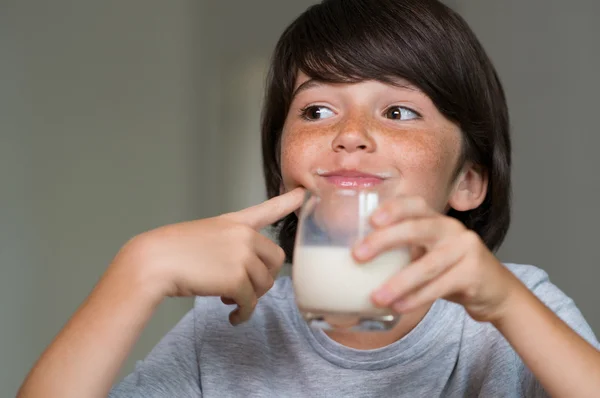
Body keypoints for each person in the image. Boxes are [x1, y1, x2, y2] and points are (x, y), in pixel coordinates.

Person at [18, 0, 600, 397]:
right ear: (282, 169)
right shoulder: (226, 328)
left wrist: (506, 305)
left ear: (467, 182)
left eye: (398, 112)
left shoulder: (515, 310)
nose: (349, 132)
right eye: (317, 110)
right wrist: (138, 271)